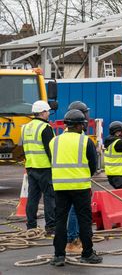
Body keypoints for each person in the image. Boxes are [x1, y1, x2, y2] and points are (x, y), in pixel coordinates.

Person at [49, 109, 102, 266]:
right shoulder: (85, 141)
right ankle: (87, 254)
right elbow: (93, 165)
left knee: (60, 221)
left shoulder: (54, 141)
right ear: (79, 126)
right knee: (84, 220)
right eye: (83, 125)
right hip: (81, 187)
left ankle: (59, 256)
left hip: (60, 187)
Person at [21, 100, 56, 235]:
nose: (48, 114)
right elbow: (50, 149)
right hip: (45, 167)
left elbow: (23, 148)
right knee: (49, 197)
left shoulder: (25, 127)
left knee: (33, 198)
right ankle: (51, 227)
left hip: (31, 166)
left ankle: (31, 226)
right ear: (42, 112)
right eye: (47, 111)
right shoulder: (45, 128)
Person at [64, 101, 91, 255]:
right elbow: (91, 161)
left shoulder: (62, 137)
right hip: (77, 181)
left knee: (67, 213)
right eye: (85, 113)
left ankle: (72, 240)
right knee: (76, 211)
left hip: (63, 182)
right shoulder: (81, 138)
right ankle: (73, 240)